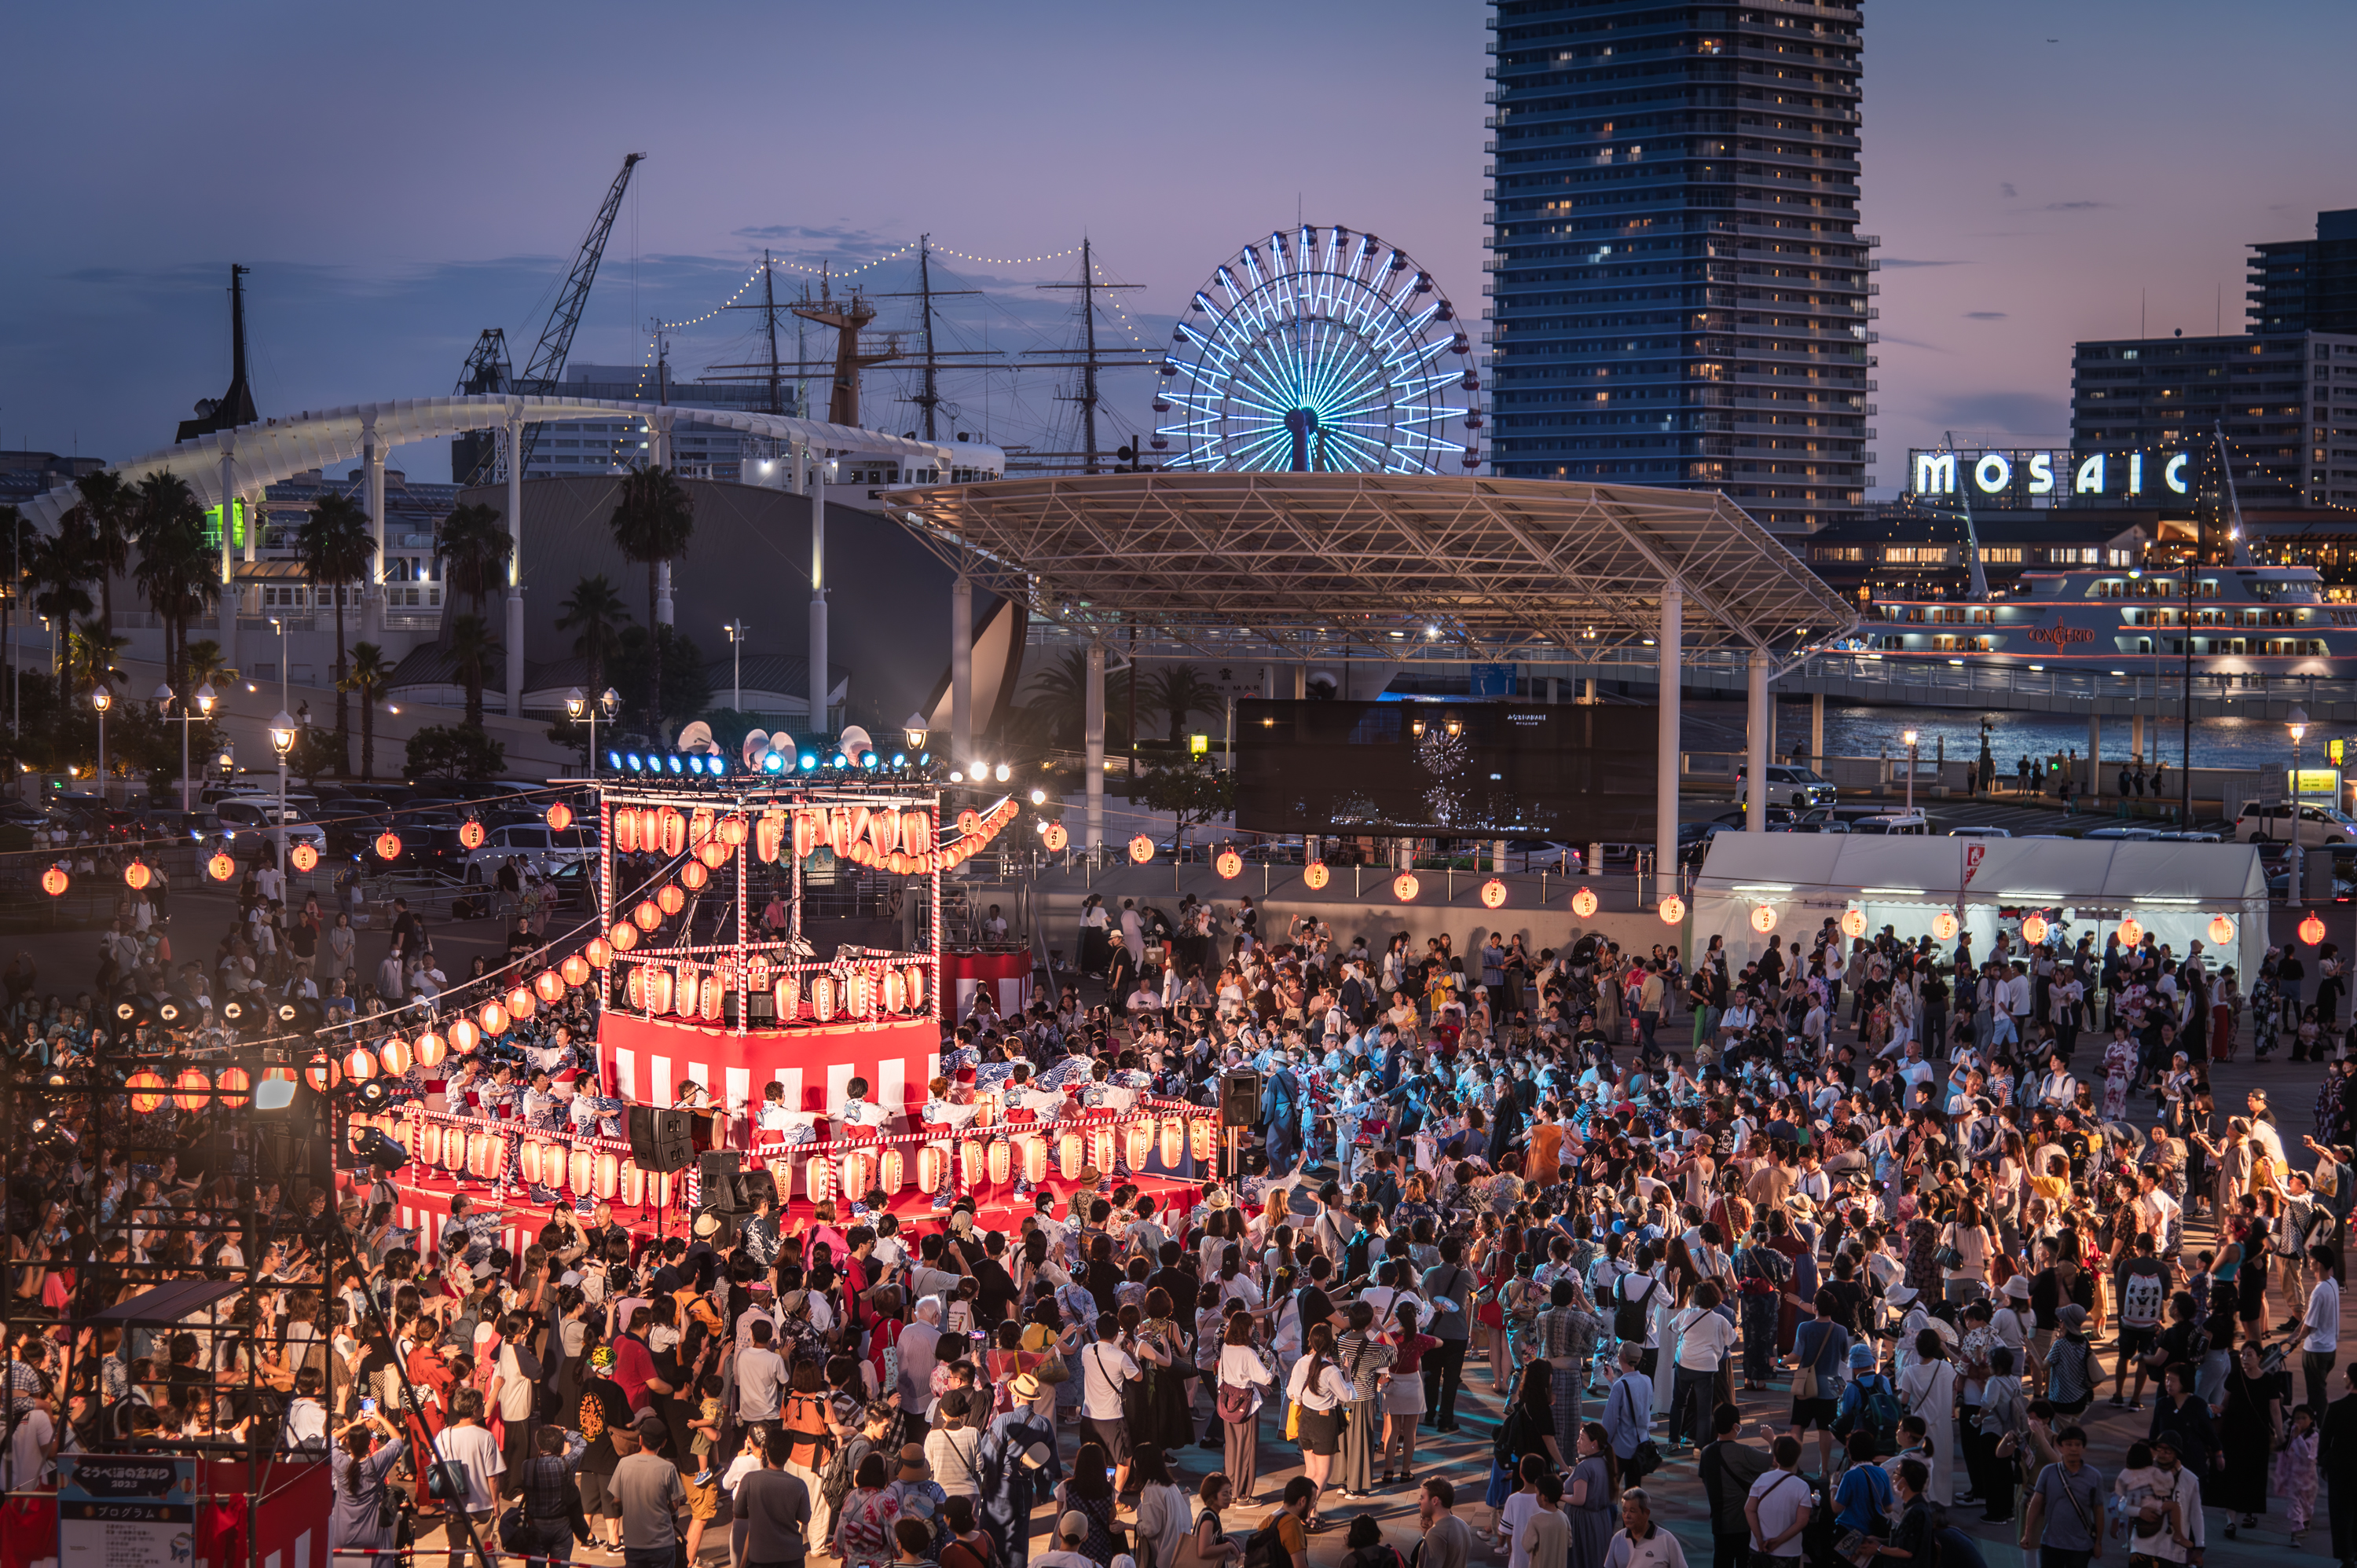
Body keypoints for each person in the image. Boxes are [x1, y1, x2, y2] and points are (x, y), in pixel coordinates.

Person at [2018, 1423, 2102, 1568]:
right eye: (2069, 1444)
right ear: (2059, 1446)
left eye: (2078, 1444)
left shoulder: (2094, 1476)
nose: (2073, 1448)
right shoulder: (2048, 1472)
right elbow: (2036, 1503)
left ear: (2084, 1448)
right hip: (2051, 1543)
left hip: (2081, 1545)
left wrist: (2098, 1542)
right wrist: (2028, 1533)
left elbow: (2098, 1511)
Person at [328, 1412, 408, 1568]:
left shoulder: (340, 1462)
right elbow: (398, 1440)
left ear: (348, 1442)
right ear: (369, 1443)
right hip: (373, 1535)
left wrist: (352, 1425)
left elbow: (329, 1440)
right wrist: (380, 1418)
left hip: (343, 1534)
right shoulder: (376, 1464)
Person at [1696, 1406, 1769, 1568]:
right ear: (1736, 1426)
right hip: (1744, 1524)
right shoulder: (1743, 1452)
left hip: (1719, 1525)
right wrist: (1771, 1439)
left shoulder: (1706, 1453)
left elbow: (1704, 1478)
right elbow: (1777, 1461)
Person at [734, 1427, 813, 1568]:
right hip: (792, 1557)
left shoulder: (750, 1480)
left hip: (759, 1557)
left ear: (766, 1451)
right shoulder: (799, 1485)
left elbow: (738, 1512)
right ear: (789, 1455)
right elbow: (805, 1518)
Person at [611, 1418, 686, 1568]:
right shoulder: (668, 1468)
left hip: (633, 1543)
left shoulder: (623, 1464)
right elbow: (675, 1505)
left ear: (640, 1440)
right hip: (662, 1544)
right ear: (664, 1443)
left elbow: (616, 1501)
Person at [1743, 1436, 1811, 1566]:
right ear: (1798, 1456)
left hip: (1759, 1549)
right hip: (1789, 1551)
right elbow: (1802, 1521)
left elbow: (1749, 1510)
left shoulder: (1762, 1479)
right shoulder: (1802, 1486)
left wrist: (1759, 1538)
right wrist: (1778, 1541)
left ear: (1775, 1457)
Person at [1600, 1343, 1654, 1475]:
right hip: (1641, 1445)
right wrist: (1612, 1380)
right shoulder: (1647, 1380)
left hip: (1621, 1447)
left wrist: (1604, 1443)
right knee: (1634, 1485)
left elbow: (1610, 1421)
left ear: (1620, 1358)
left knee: (1612, 1482)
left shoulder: (1620, 1386)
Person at [1604, 1487, 1686, 1568]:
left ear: (1646, 1513)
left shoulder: (1667, 1540)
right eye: (1624, 1511)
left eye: (1632, 1511)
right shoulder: (1618, 1539)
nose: (1627, 1516)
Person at [1420, 1477, 1476, 1568]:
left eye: (1422, 1498)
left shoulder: (1435, 1534)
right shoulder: (1462, 1524)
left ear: (1435, 1501)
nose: (1419, 1502)